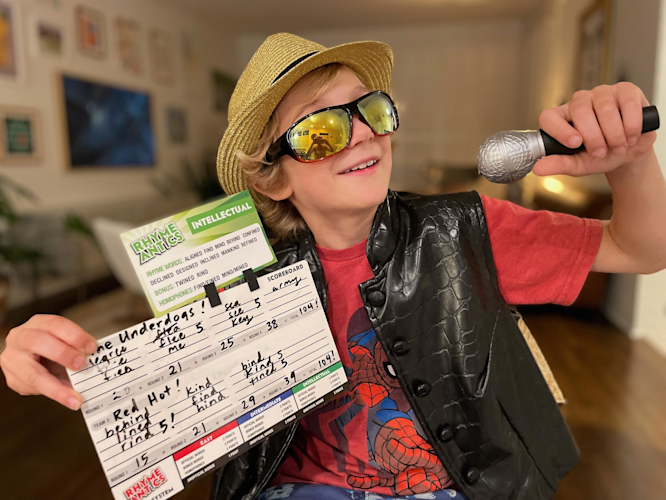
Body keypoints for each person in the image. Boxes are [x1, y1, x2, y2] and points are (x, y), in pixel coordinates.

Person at [2, 33, 666, 500]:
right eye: (320, 131)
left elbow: (642, 249)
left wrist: (632, 162)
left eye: (370, 110)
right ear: (274, 179)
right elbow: (153, 384)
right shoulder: (233, 268)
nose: (363, 133)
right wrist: (53, 359)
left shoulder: (466, 229)